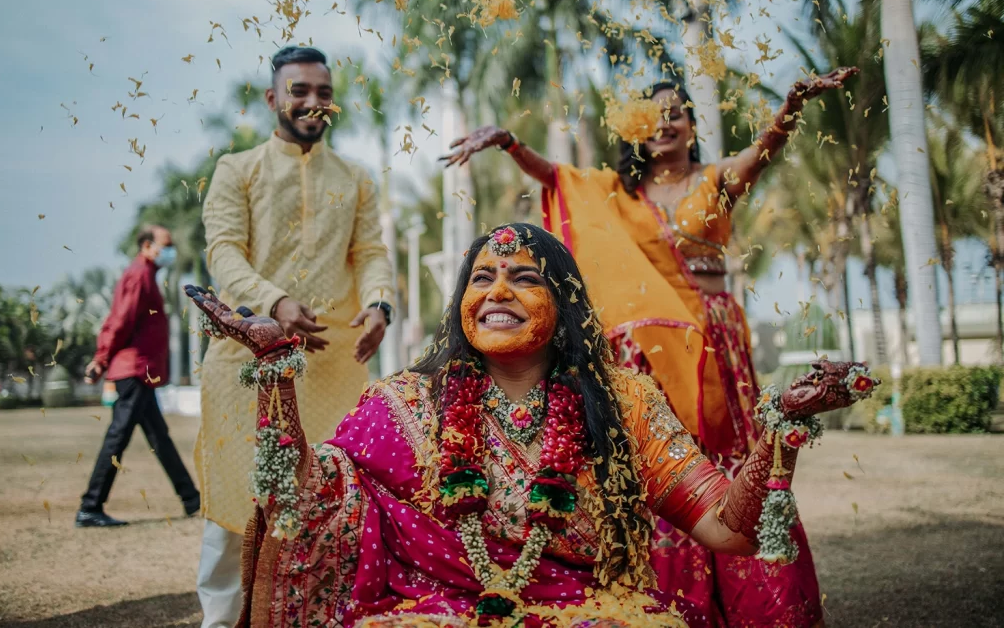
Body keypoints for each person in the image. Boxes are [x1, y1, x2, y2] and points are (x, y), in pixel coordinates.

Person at [184, 223, 878, 628]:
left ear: (565, 303)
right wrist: (276, 372)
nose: (497, 293)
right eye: (482, 277)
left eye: (524, 277)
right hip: (438, 611)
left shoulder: (624, 400)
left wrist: (777, 430)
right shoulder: (406, 402)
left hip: (593, 613)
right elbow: (309, 499)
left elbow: (727, 527)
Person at [440, 69, 857, 626]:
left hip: (711, 337)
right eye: (652, 117)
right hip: (647, 347)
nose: (664, 125)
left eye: (675, 114)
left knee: (722, 449)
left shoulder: (715, 179)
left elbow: (761, 154)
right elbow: (558, 175)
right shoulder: (620, 193)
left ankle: (754, 589)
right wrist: (511, 143)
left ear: (690, 126)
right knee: (660, 456)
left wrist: (791, 105)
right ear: (636, 131)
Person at [196, 45, 396, 627]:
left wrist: (380, 302)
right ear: (272, 98)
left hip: (333, 366)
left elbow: (371, 253)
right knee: (236, 509)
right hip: (246, 364)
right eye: (300, 90)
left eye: (324, 93)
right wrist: (273, 302)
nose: (313, 102)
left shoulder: (355, 178)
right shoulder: (239, 169)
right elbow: (223, 252)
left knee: (333, 505)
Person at [76, 224, 200, 528]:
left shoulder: (146, 275)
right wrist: (101, 358)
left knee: (160, 438)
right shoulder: (138, 275)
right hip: (133, 370)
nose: (170, 251)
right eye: (165, 245)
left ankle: (192, 500)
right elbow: (120, 320)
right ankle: (90, 507)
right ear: (146, 246)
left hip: (143, 371)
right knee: (118, 437)